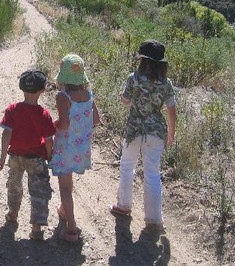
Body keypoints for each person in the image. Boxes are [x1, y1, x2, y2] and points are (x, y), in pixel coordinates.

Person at [110, 39, 177, 235]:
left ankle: (124, 206)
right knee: (153, 174)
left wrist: (125, 97)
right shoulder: (166, 83)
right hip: (156, 131)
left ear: (143, 61)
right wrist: (171, 134)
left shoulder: (134, 78)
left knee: (127, 166)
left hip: (134, 130)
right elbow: (171, 110)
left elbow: (125, 100)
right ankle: (154, 220)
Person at [0, 69, 56, 241]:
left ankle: (13, 214)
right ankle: (36, 228)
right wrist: (49, 155)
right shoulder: (44, 114)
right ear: (43, 90)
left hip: (15, 156)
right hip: (36, 158)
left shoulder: (12, 109)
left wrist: (2, 157)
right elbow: (49, 139)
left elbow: (6, 134)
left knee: (14, 185)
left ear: (21, 88)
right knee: (39, 191)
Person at [49, 54, 100, 242]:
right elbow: (96, 120)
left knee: (64, 188)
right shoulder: (89, 95)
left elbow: (63, 124)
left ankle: (71, 228)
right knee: (68, 185)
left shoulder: (62, 97)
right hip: (81, 148)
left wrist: (52, 124)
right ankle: (64, 210)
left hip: (65, 146)